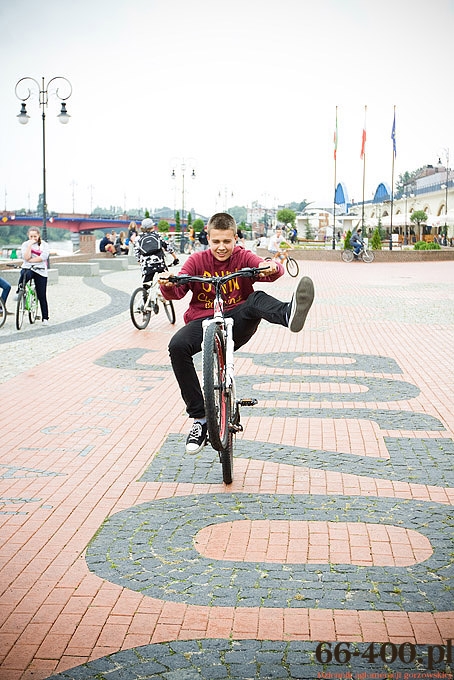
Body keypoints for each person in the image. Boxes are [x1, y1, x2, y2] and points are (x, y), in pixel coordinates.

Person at [159, 212, 315, 454]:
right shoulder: (197, 261)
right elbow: (177, 290)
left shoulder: (242, 256)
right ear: (208, 239)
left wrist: (270, 267)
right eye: (216, 242)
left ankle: (288, 314)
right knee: (177, 346)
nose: (221, 248)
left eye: (227, 242)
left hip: (237, 321)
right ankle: (200, 419)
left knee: (255, 299)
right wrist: (168, 284)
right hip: (202, 322)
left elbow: (271, 270)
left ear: (236, 239)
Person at [15, 227, 50, 325]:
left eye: (35, 236)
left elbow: (43, 257)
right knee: (24, 274)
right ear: (28, 236)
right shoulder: (25, 244)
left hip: (40, 270)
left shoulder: (44, 245)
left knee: (41, 295)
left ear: (39, 235)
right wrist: (30, 245)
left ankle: (45, 318)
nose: (33, 238)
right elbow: (25, 257)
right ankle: (20, 291)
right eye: (31, 236)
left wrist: (30, 260)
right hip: (28, 268)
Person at [134, 218, 179, 287]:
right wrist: (175, 258)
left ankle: (145, 294)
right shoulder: (157, 236)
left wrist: (141, 264)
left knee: (147, 283)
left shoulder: (138, 238)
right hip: (159, 263)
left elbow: (137, 253)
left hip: (147, 264)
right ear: (153, 227)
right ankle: (164, 293)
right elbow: (168, 247)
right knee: (166, 280)